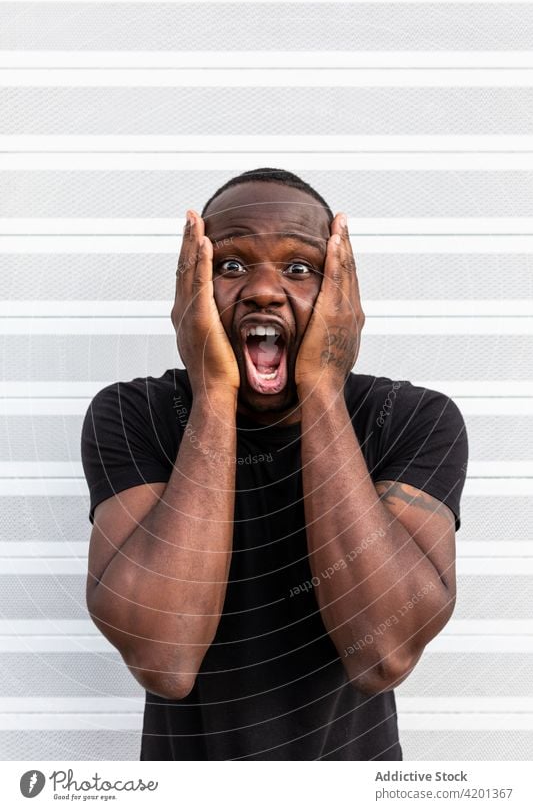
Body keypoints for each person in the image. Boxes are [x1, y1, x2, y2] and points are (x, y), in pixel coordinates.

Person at [81, 167, 468, 760]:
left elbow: (384, 652)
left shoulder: (410, 419)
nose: (263, 290)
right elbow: (164, 658)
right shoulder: (136, 415)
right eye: (231, 266)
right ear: (193, 290)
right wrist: (213, 394)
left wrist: (322, 392)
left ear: (343, 293)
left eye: (299, 268)